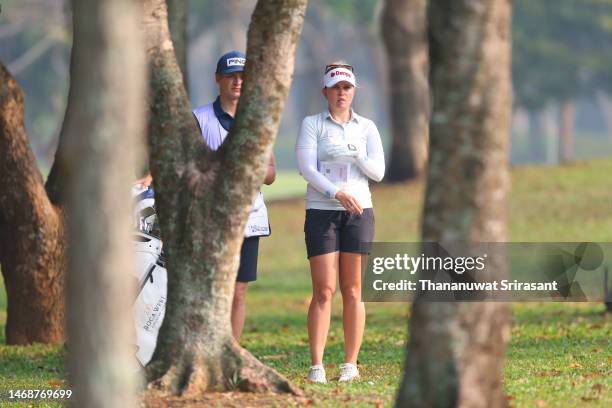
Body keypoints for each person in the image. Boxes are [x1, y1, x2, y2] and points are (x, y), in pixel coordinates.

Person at [295, 62, 385, 383]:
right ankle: (316, 365)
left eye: (346, 88)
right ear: (325, 92)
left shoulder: (367, 128)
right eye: (335, 88)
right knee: (324, 290)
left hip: (360, 212)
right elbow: (307, 168)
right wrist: (336, 193)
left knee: (353, 289)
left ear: (354, 91)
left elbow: (378, 172)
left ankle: (350, 363)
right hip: (322, 212)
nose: (341, 93)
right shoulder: (312, 124)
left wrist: (356, 154)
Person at [192, 50, 276, 341]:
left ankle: (233, 348)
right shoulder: (200, 118)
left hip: (249, 217)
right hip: (211, 217)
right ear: (218, 79)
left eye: (242, 77)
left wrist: (245, 167)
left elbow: (271, 174)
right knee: (212, 287)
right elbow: (190, 168)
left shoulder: (258, 121)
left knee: (239, 290)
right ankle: (207, 346)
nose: (237, 82)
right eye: (231, 77)